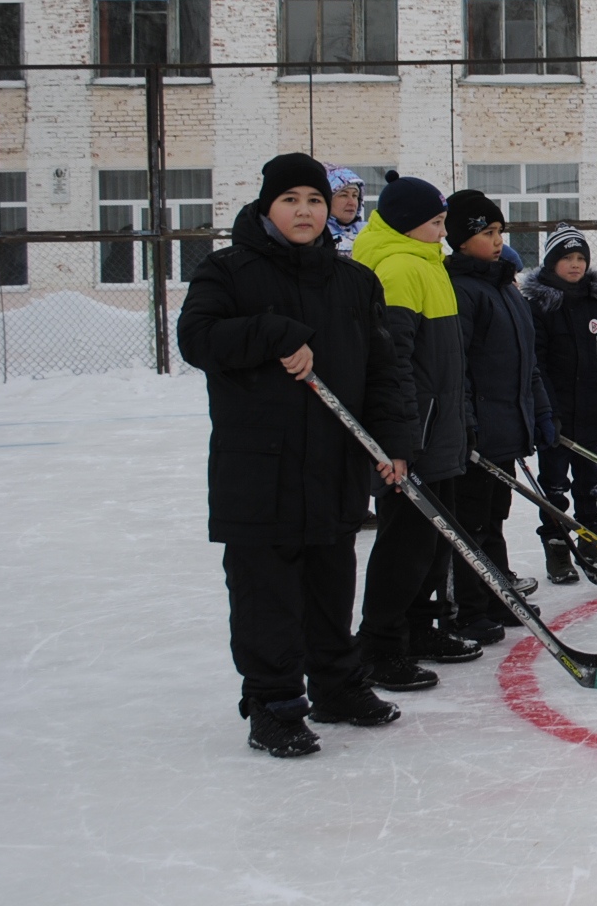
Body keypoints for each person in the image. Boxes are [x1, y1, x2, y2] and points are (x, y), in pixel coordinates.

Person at [177, 153, 409, 758]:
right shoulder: (226, 272)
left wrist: (393, 445)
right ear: (266, 208)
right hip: (260, 466)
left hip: (334, 462)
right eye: (290, 201)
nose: (304, 211)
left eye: (313, 200)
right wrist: (275, 333)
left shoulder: (354, 280)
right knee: (266, 593)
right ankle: (274, 705)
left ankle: (337, 687)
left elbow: (383, 370)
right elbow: (197, 340)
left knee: (332, 582)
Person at [351, 172, 478, 689]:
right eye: (436, 223)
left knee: (432, 544)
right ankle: (380, 646)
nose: (443, 233)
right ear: (406, 225)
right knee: (405, 546)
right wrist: (401, 438)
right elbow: (392, 360)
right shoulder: (399, 268)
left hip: (439, 433)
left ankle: (418, 629)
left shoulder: (427, 264)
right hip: (415, 438)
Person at [444, 189, 553, 643]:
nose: (495, 240)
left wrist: (541, 412)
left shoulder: (506, 289)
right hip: (478, 431)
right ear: (460, 239)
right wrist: (467, 425)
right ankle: (470, 608)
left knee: (496, 516)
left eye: (499, 232)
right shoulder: (462, 290)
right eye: (486, 232)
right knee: (471, 521)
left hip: (507, 427)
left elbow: (528, 363)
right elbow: (461, 369)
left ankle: (495, 593)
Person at [522, 225, 597, 585]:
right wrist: (546, 413)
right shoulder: (537, 306)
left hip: (590, 409)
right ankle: (557, 546)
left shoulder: (595, 306)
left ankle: (592, 539)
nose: (574, 265)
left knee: (588, 480)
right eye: (566, 258)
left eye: (580, 258)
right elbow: (534, 366)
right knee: (554, 484)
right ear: (551, 261)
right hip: (554, 415)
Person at [324, 164, 368, 257]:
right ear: (327, 199)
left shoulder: (368, 231)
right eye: (344, 195)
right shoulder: (317, 235)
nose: (352, 202)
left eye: (355, 195)